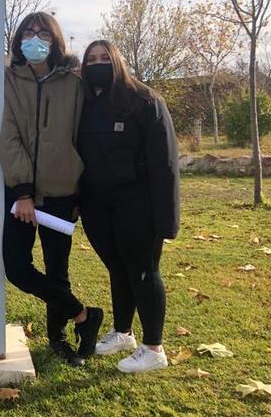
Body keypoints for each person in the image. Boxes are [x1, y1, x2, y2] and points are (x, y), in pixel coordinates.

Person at [0, 11, 103, 367]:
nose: (35, 39)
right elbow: (8, 135)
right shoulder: (7, 79)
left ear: (55, 40)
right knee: (15, 266)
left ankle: (58, 338)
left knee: (58, 267)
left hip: (62, 193)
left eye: (43, 33)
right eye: (28, 32)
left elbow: (83, 138)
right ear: (18, 39)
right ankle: (83, 315)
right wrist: (23, 191)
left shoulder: (74, 84)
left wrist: (79, 191)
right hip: (19, 194)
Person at [77, 40, 180, 373]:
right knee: (117, 268)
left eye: (104, 58)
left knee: (142, 270)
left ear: (118, 61)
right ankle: (123, 333)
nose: (97, 64)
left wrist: (167, 220)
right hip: (97, 204)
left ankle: (154, 348)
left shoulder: (145, 101)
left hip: (138, 204)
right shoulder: (86, 105)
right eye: (90, 59)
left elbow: (165, 164)